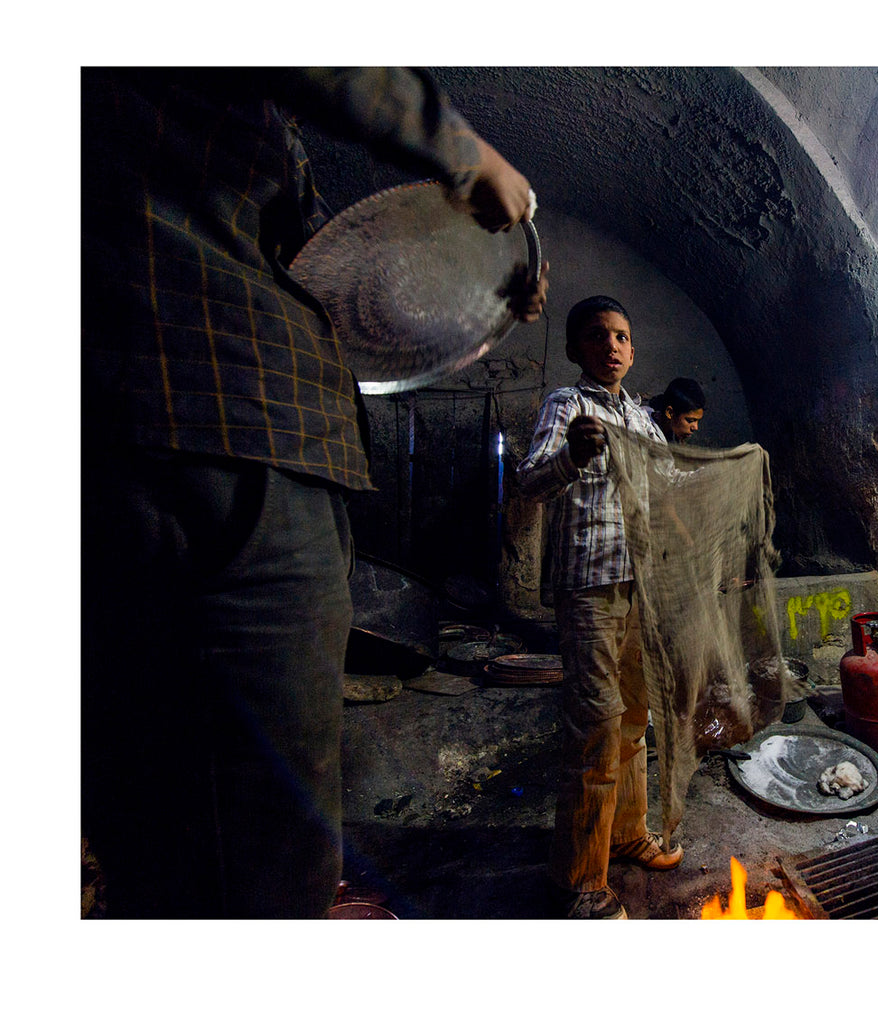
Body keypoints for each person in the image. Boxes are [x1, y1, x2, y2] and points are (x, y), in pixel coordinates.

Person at [81, 68, 548, 918]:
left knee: (164, 828)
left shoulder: (188, 128)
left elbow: (323, 293)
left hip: (184, 435)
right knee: (264, 848)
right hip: (223, 430)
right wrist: (464, 150)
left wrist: (473, 300)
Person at [516, 295, 684, 920]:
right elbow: (530, 481)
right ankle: (579, 881)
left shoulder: (643, 420)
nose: (611, 345)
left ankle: (628, 833)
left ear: (632, 350)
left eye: (620, 335)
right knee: (594, 727)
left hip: (639, 588)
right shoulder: (568, 406)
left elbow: (663, 494)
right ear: (576, 350)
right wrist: (571, 456)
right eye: (597, 336)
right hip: (588, 590)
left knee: (636, 718)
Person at [649, 377, 707, 444]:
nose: (695, 427)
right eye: (690, 420)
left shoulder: (670, 433)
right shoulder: (641, 430)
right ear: (670, 413)